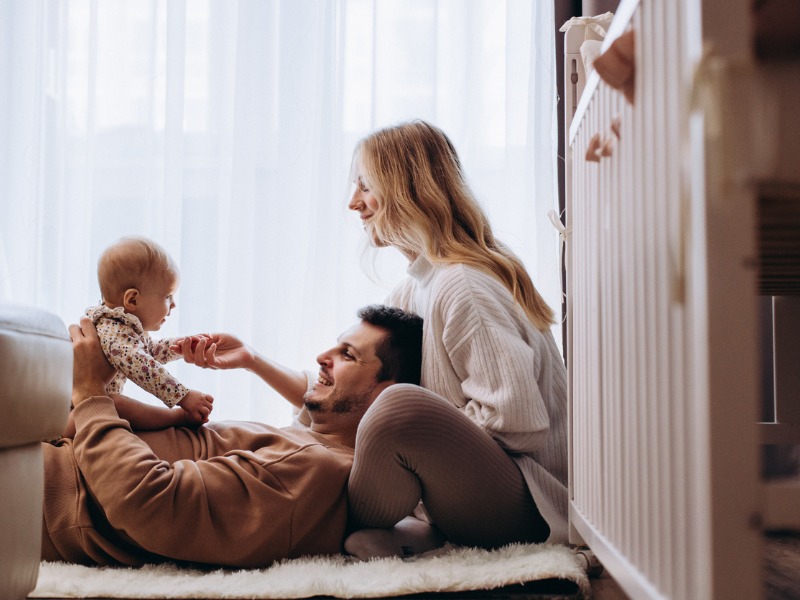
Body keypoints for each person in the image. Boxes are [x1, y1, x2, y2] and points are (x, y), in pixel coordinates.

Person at [42, 305, 424, 568]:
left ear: (385, 391)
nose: (323, 356)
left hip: (44, 488)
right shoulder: (303, 443)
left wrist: (91, 393)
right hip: (51, 451)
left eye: (348, 355)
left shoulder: (314, 466)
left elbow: (147, 502)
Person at [341, 120, 569, 558]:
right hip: (485, 495)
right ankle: (425, 531)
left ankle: (301, 521)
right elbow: (349, 375)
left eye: (365, 186)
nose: (353, 203)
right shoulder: (419, 285)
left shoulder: (461, 285)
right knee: (358, 407)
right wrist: (252, 361)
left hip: (530, 505)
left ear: (406, 189)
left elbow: (517, 420)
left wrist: (423, 446)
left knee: (397, 406)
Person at [79, 236, 213, 429]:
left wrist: (181, 347)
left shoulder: (123, 326)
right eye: (167, 296)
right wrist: (182, 396)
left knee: (114, 403)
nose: (173, 305)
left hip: (81, 409)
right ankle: (177, 418)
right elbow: (141, 364)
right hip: (71, 415)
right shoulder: (111, 330)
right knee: (115, 404)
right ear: (132, 300)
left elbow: (149, 351)